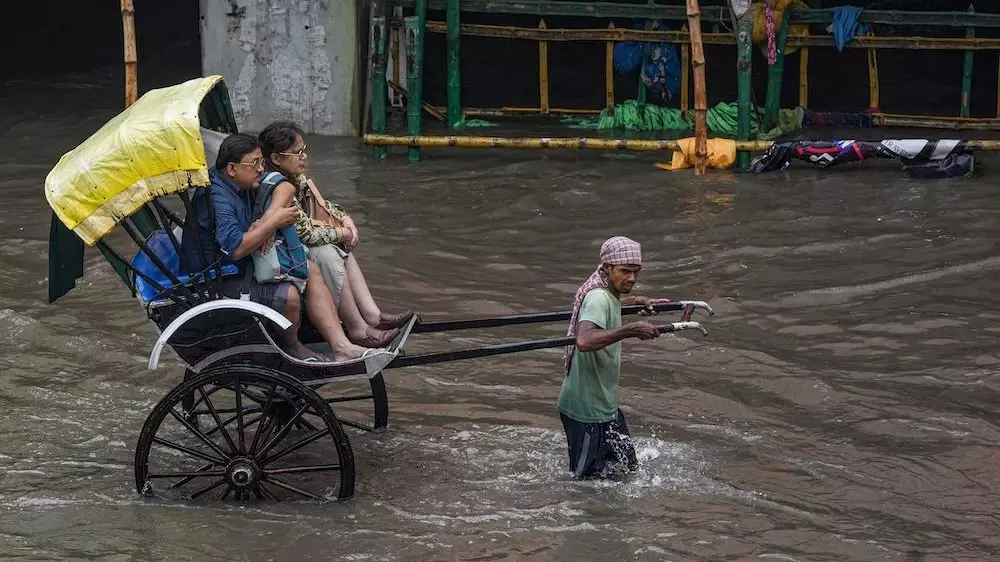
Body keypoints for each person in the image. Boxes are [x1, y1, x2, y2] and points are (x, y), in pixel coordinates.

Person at [182, 133, 377, 362]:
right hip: (220, 278)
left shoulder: (243, 180)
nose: (260, 169)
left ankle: (341, 346)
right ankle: (292, 346)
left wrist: (265, 221)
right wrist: (272, 224)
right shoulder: (217, 197)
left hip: (243, 266)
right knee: (290, 295)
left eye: (261, 162)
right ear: (232, 168)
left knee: (310, 269)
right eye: (254, 163)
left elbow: (284, 186)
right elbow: (237, 249)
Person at [257, 121, 415, 348]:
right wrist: (343, 233)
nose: (304, 157)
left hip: (293, 247)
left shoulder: (294, 178)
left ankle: (373, 317)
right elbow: (307, 234)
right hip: (281, 253)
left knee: (337, 248)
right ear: (276, 158)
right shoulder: (277, 185)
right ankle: (358, 329)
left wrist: (345, 219)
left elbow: (323, 204)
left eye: (304, 150)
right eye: (298, 153)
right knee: (328, 253)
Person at [557, 236, 670, 479]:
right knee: (585, 483)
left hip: (605, 406)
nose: (632, 278)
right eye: (625, 271)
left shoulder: (607, 295)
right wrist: (631, 330)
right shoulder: (597, 297)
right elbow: (584, 341)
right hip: (586, 410)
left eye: (636, 272)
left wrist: (636, 302)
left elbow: (609, 304)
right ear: (607, 268)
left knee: (628, 472)